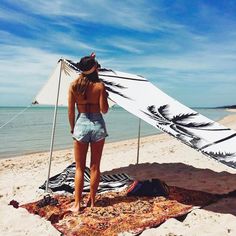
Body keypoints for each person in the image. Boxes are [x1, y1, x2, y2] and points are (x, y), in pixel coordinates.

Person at [68, 53, 109, 212]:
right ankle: (92, 202)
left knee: (79, 168)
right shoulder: (100, 86)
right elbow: (104, 110)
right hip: (98, 124)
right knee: (95, 166)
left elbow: (71, 112)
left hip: (81, 124)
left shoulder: (73, 85)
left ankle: (77, 204)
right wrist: (104, 95)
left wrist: (73, 127)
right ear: (95, 69)